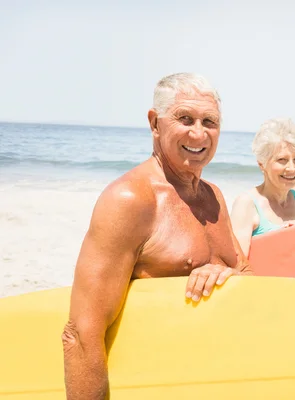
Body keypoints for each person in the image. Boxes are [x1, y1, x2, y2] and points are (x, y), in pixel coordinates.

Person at [61, 72, 252, 400]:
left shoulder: (214, 197)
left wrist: (227, 274)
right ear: (154, 123)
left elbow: (247, 277)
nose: (199, 133)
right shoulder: (131, 200)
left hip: (210, 381)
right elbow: (80, 334)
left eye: (210, 121)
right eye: (185, 118)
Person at [230, 117, 295, 256]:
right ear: (262, 164)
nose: (291, 168)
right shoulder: (246, 204)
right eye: (282, 160)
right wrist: (278, 240)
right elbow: (238, 265)